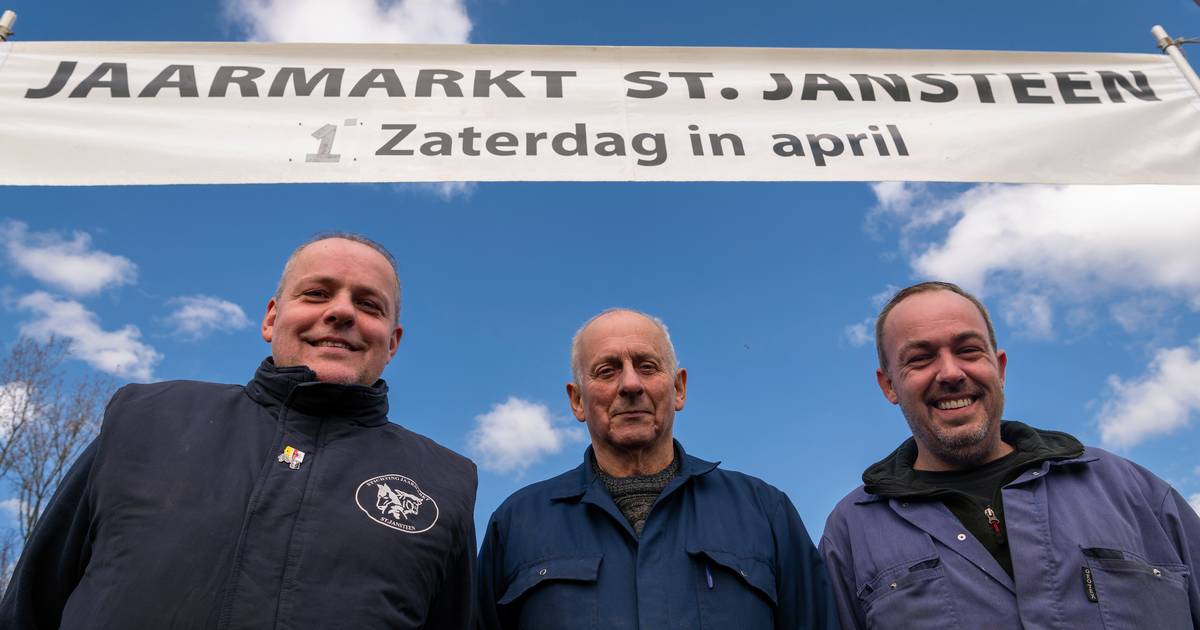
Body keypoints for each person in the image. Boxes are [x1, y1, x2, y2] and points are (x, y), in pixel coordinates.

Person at [0, 234, 478, 629]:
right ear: (272, 317)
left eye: (369, 304)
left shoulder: (446, 484)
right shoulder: (141, 418)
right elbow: (30, 607)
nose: (342, 312)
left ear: (392, 342)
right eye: (316, 293)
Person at [820, 281, 1200, 629]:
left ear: (998, 368)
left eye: (968, 350)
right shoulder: (850, 534)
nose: (950, 372)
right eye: (920, 358)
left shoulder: (1133, 491)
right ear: (889, 385)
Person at [477, 308, 837, 630]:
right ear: (577, 400)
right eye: (607, 370)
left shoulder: (765, 512)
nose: (631, 384)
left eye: (647, 367)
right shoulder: (516, 524)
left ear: (678, 388)